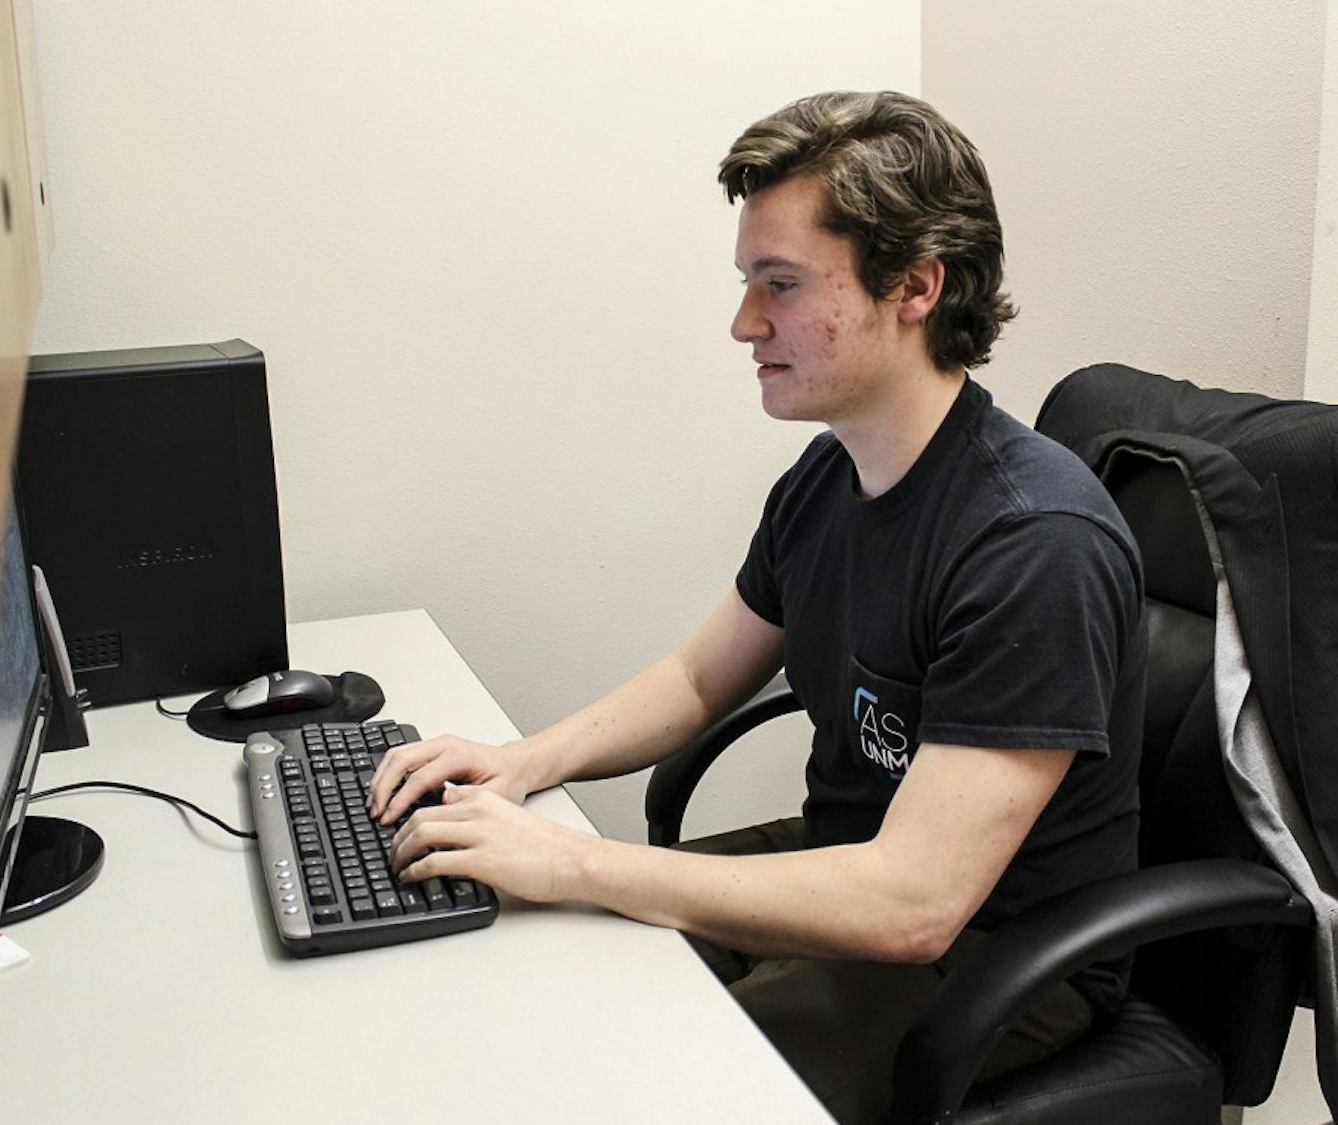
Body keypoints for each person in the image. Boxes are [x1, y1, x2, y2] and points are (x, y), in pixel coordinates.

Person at [368, 90, 1146, 1124]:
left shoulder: (1033, 543)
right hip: (850, 862)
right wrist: (525, 763)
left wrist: (583, 861)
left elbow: (916, 903)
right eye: (748, 283)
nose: (745, 324)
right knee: (533, 957)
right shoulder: (828, 482)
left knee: (645, 1085)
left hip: (1000, 949)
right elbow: (698, 678)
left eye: (779, 286)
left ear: (916, 285)